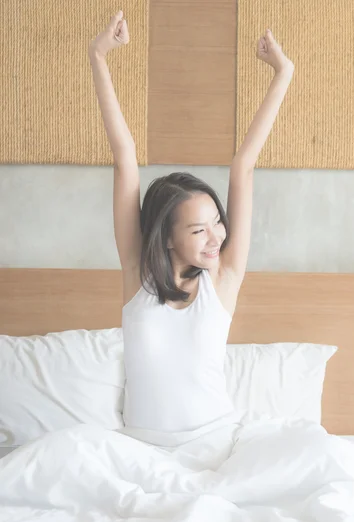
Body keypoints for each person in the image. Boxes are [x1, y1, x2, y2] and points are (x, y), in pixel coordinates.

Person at [89, 10, 294, 436]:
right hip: (141, 452)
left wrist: (283, 74)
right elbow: (125, 159)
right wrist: (98, 57)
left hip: (214, 443)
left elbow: (244, 165)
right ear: (165, 238)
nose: (216, 236)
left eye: (216, 222)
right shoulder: (138, 277)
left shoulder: (224, 277)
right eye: (198, 230)